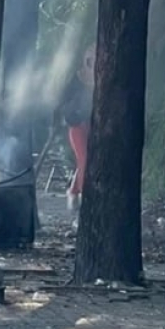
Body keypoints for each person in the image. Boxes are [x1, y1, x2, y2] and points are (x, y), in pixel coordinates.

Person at [60, 44, 95, 216]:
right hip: (76, 126)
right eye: (89, 59)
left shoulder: (100, 78)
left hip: (92, 125)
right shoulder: (77, 79)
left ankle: (74, 192)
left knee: (86, 161)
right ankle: (82, 196)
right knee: (84, 160)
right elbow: (64, 103)